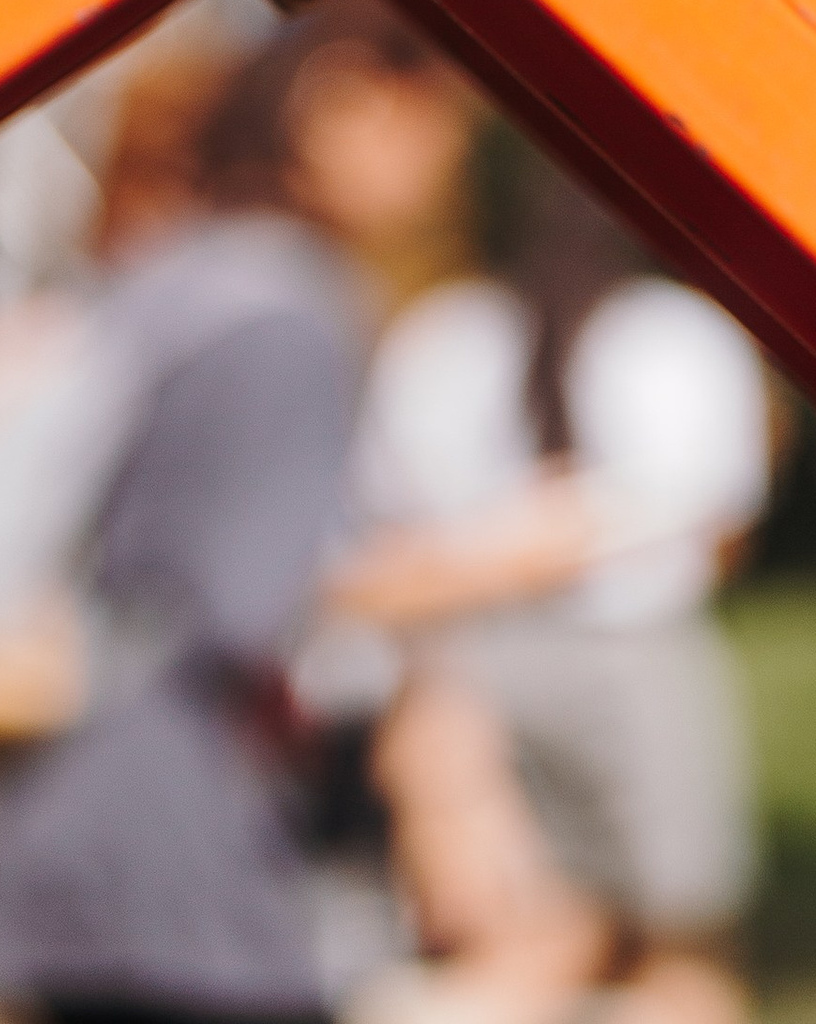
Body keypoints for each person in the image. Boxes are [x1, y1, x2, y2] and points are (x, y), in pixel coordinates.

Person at [0, 24, 379, 1024]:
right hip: (170, 825)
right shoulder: (281, 317)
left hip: (39, 791)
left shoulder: (74, 324)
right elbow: (242, 606)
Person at [327, 166, 775, 1024]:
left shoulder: (443, 335)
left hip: (478, 649)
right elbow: (721, 526)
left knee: (537, 931)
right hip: (627, 650)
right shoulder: (683, 337)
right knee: (671, 944)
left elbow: (392, 522)